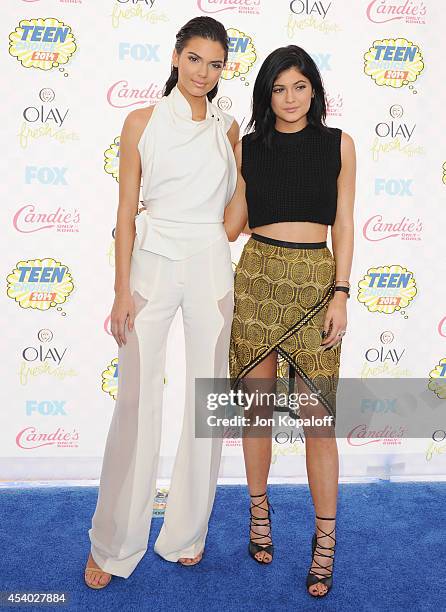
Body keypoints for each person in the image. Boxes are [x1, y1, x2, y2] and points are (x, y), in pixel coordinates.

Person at [84, 16, 239, 589]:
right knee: (136, 403)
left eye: (216, 63)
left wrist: (226, 231)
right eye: (195, 58)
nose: (204, 72)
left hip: (210, 266)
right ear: (176, 57)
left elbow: (235, 206)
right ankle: (114, 542)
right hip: (150, 264)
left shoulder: (229, 129)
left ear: (225, 69)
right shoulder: (140, 122)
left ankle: (186, 534)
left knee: (209, 400)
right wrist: (122, 289)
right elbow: (125, 213)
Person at [224, 45, 355, 597]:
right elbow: (231, 225)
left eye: (299, 86)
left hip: (315, 284)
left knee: (317, 423)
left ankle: (324, 543)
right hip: (257, 279)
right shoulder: (248, 147)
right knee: (257, 413)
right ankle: (259, 515)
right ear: (266, 95)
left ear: (315, 90)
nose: (290, 98)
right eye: (278, 89)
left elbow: (344, 223)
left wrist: (341, 293)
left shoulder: (339, 144)